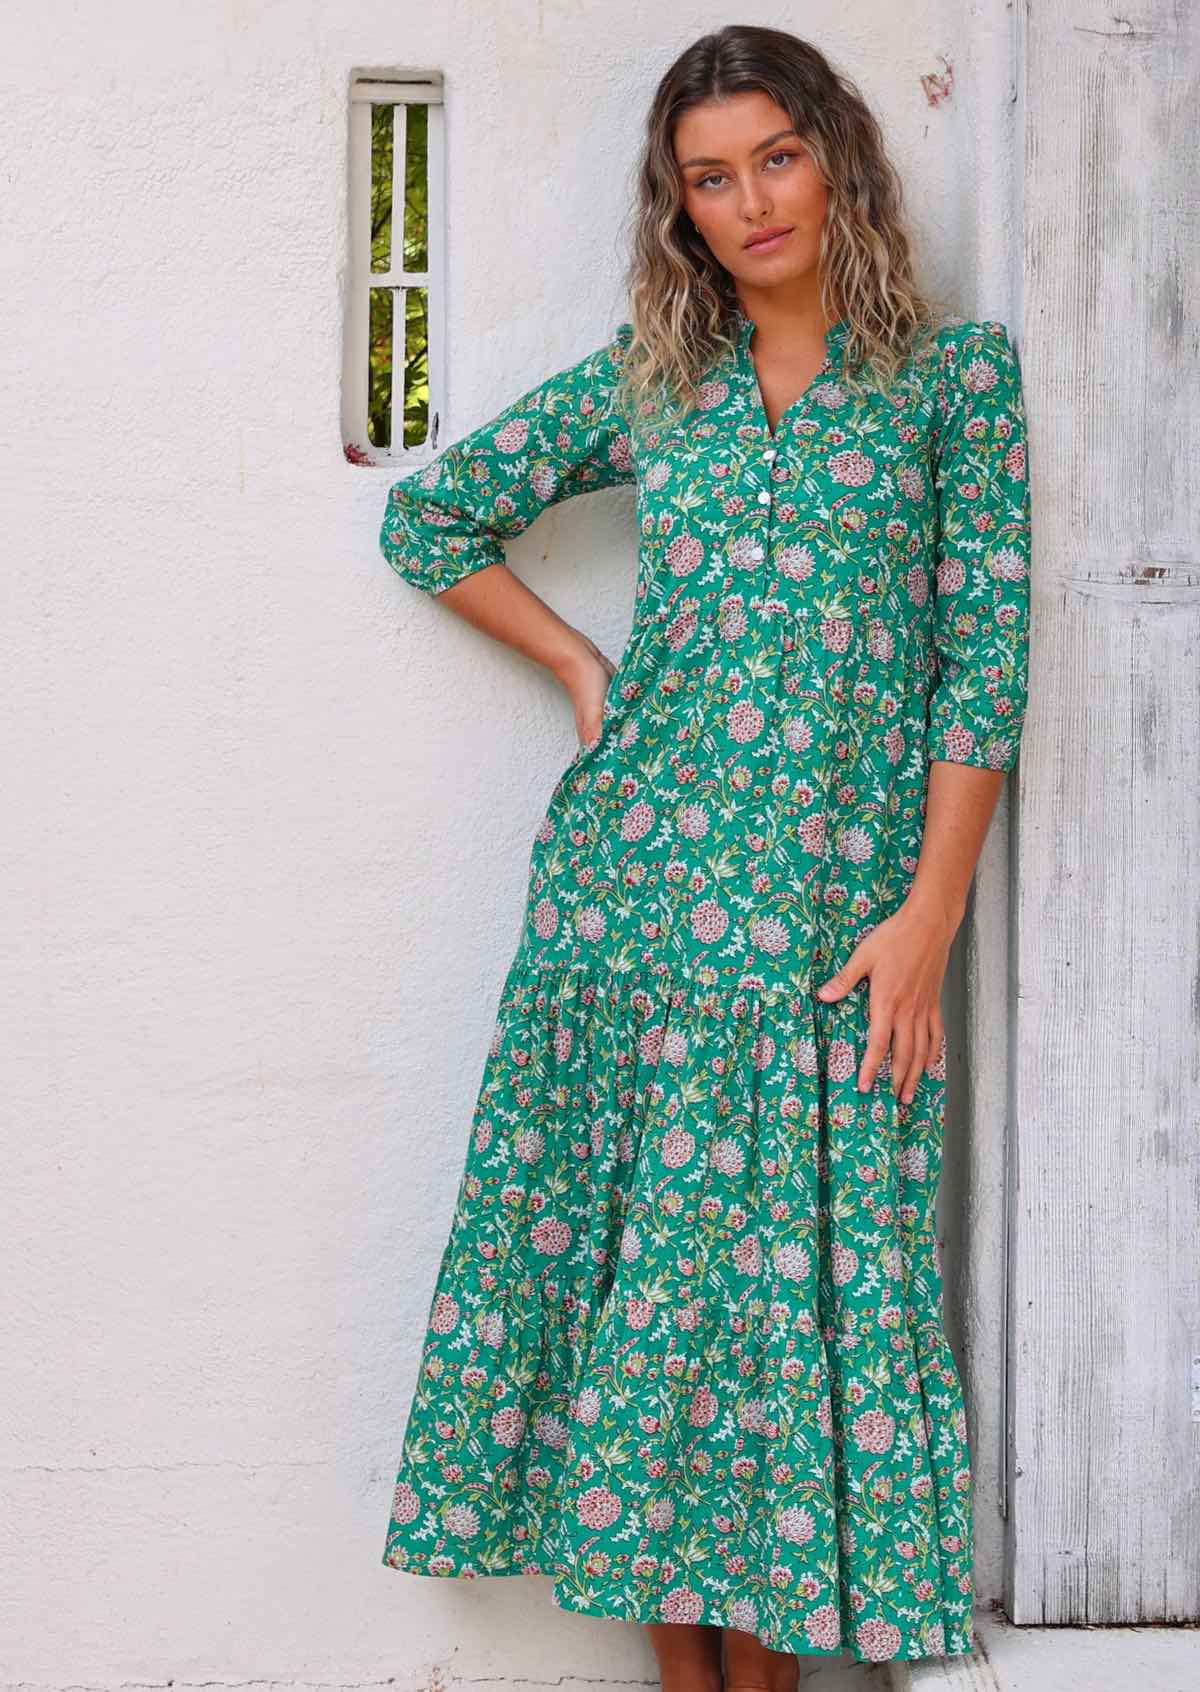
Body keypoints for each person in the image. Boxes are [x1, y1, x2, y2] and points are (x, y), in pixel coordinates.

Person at [376, 23, 1030, 1690]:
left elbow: (985, 661)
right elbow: (429, 518)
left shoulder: (957, 385)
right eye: (709, 178)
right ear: (680, 208)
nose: (749, 202)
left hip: (835, 939)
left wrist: (930, 917)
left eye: (775, 159)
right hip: (639, 923)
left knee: (792, 1339)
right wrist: (586, 668)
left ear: (837, 157)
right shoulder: (656, 385)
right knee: (663, 1343)